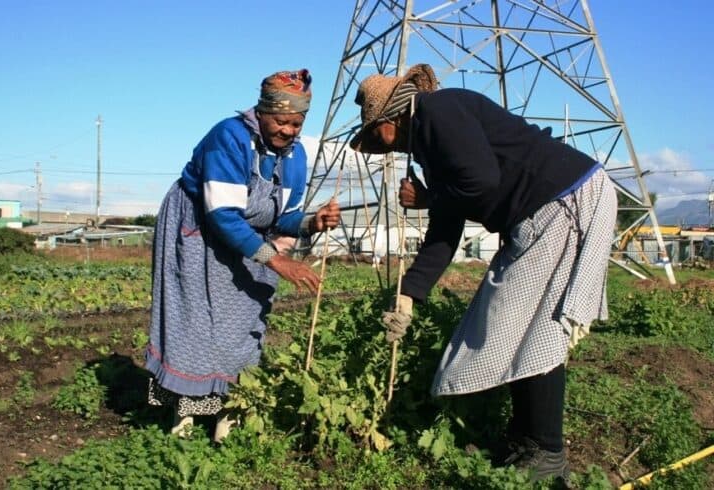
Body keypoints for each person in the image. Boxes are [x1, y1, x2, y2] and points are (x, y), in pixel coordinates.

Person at [349, 64, 616, 484]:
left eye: (377, 139)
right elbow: (446, 228)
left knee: (535, 328)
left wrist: (428, 197)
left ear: (387, 122)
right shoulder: (431, 143)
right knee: (509, 323)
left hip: (564, 201)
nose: (387, 151)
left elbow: (482, 181)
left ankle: (545, 450)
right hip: (543, 211)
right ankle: (526, 440)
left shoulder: (438, 112)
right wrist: (410, 294)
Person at [145, 69, 340, 443]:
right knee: (197, 321)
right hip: (199, 232)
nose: (288, 130)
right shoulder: (229, 137)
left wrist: (314, 222)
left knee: (244, 319)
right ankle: (184, 418)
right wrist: (279, 260)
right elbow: (222, 216)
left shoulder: (295, 156)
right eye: (281, 121)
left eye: (296, 124)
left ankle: (228, 416)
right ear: (262, 112)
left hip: (247, 236)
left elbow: (284, 218)